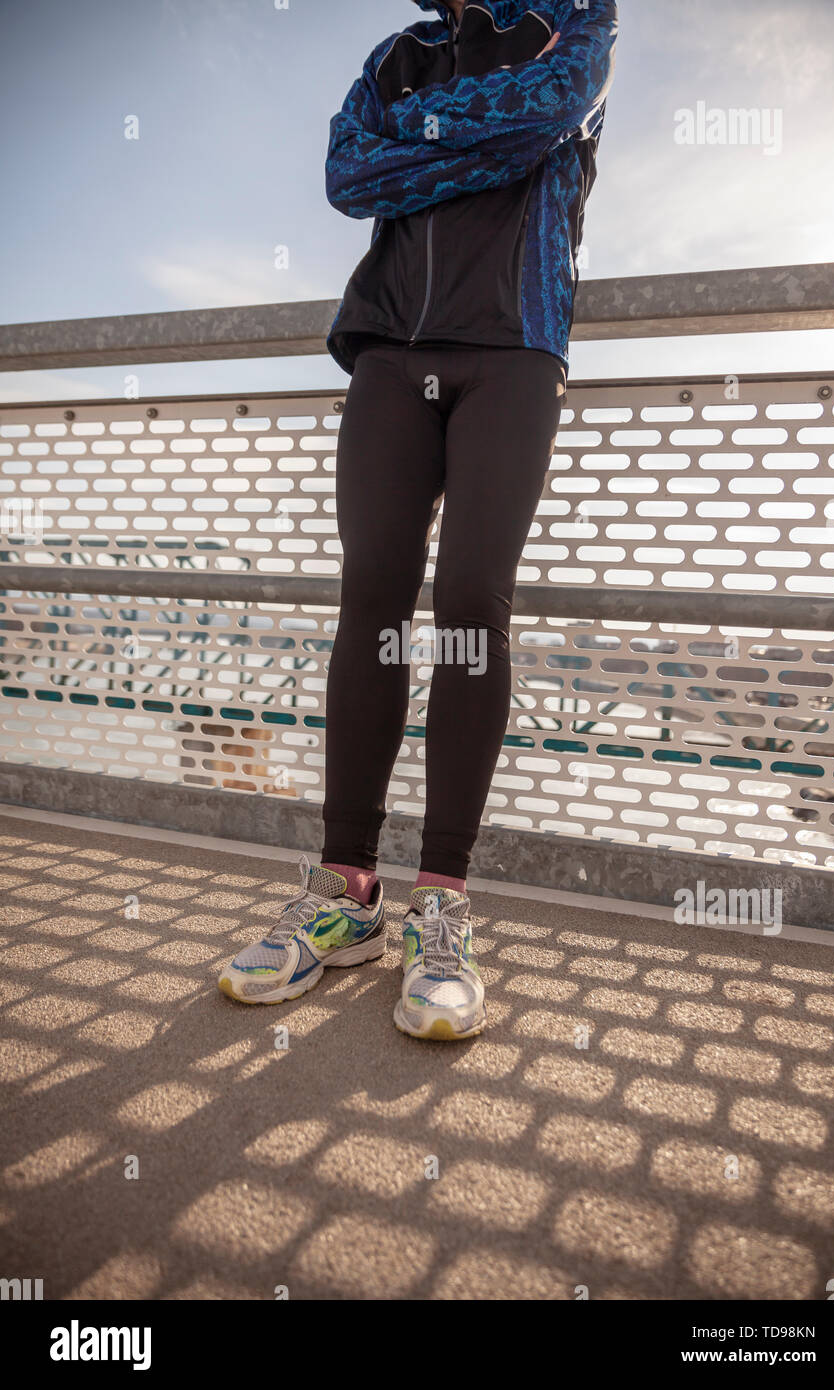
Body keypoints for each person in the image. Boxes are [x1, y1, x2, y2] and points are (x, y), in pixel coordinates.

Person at [218, 0, 618, 1040]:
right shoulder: (396, 56)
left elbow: (545, 115)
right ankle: (345, 892)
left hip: (512, 348)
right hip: (390, 352)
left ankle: (440, 901)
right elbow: (348, 176)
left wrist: (428, 142)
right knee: (374, 599)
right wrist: (473, 141)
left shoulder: (572, 27)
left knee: (470, 602)